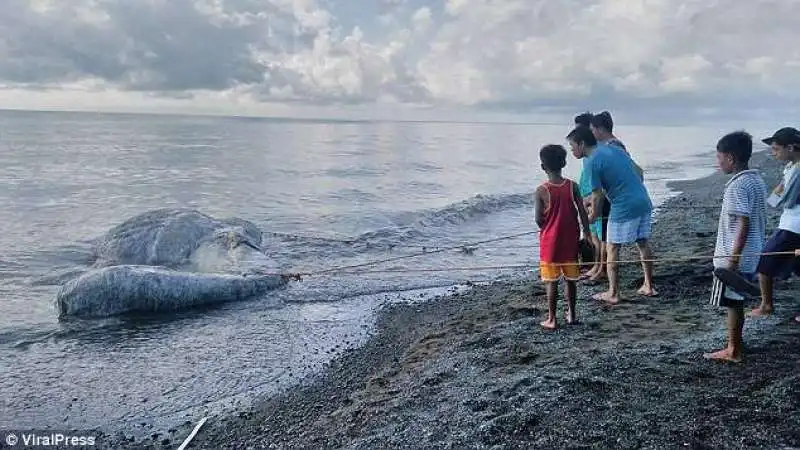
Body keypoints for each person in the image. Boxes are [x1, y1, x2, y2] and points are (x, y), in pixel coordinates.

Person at [567, 126, 657, 304]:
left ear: (582, 144)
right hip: (643, 199)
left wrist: (592, 217)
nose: (571, 150)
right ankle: (648, 285)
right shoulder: (614, 148)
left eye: (572, 146)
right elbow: (638, 172)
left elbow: (598, 195)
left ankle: (613, 292)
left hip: (623, 206)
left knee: (612, 248)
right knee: (642, 242)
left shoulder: (592, 162)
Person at [705, 131, 767, 363]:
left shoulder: (737, 186)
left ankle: (733, 350)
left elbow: (743, 222)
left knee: (732, 303)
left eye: (719, 157)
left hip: (737, 256)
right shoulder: (756, 180)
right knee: (736, 300)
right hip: (753, 252)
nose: (718, 162)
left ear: (731, 158)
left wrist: (732, 260)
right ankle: (736, 344)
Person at [534, 144, 592, 329]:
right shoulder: (572, 186)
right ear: (564, 163)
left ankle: (552, 318)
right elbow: (582, 211)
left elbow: (538, 219)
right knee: (571, 281)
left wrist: (546, 224)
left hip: (550, 244)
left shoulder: (541, 190)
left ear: (543, 166)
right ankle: (572, 314)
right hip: (570, 242)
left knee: (551, 282)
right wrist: (587, 233)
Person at [749, 127, 800, 317]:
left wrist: (775, 198)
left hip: (794, 225)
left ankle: (766, 305)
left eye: (777, 149)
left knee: (765, 260)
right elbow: (780, 194)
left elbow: (786, 199)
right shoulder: (792, 167)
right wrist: (775, 197)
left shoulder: (798, 169)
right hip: (791, 221)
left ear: (791, 147)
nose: (773, 153)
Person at [590, 111, 644, 180]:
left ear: (600, 129)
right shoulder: (611, 145)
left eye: (592, 130)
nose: (591, 133)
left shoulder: (614, 146)